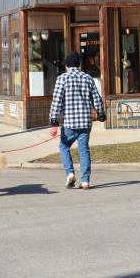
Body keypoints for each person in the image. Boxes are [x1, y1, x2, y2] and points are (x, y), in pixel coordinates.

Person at [49, 51, 106, 189]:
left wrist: (53, 120)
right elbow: (97, 98)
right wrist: (101, 114)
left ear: (67, 65)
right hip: (85, 122)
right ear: (79, 65)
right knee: (84, 150)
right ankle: (85, 181)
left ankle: (70, 173)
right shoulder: (87, 78)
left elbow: (57, 100)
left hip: (69, 123)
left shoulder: (62, 78)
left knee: (64, 146)